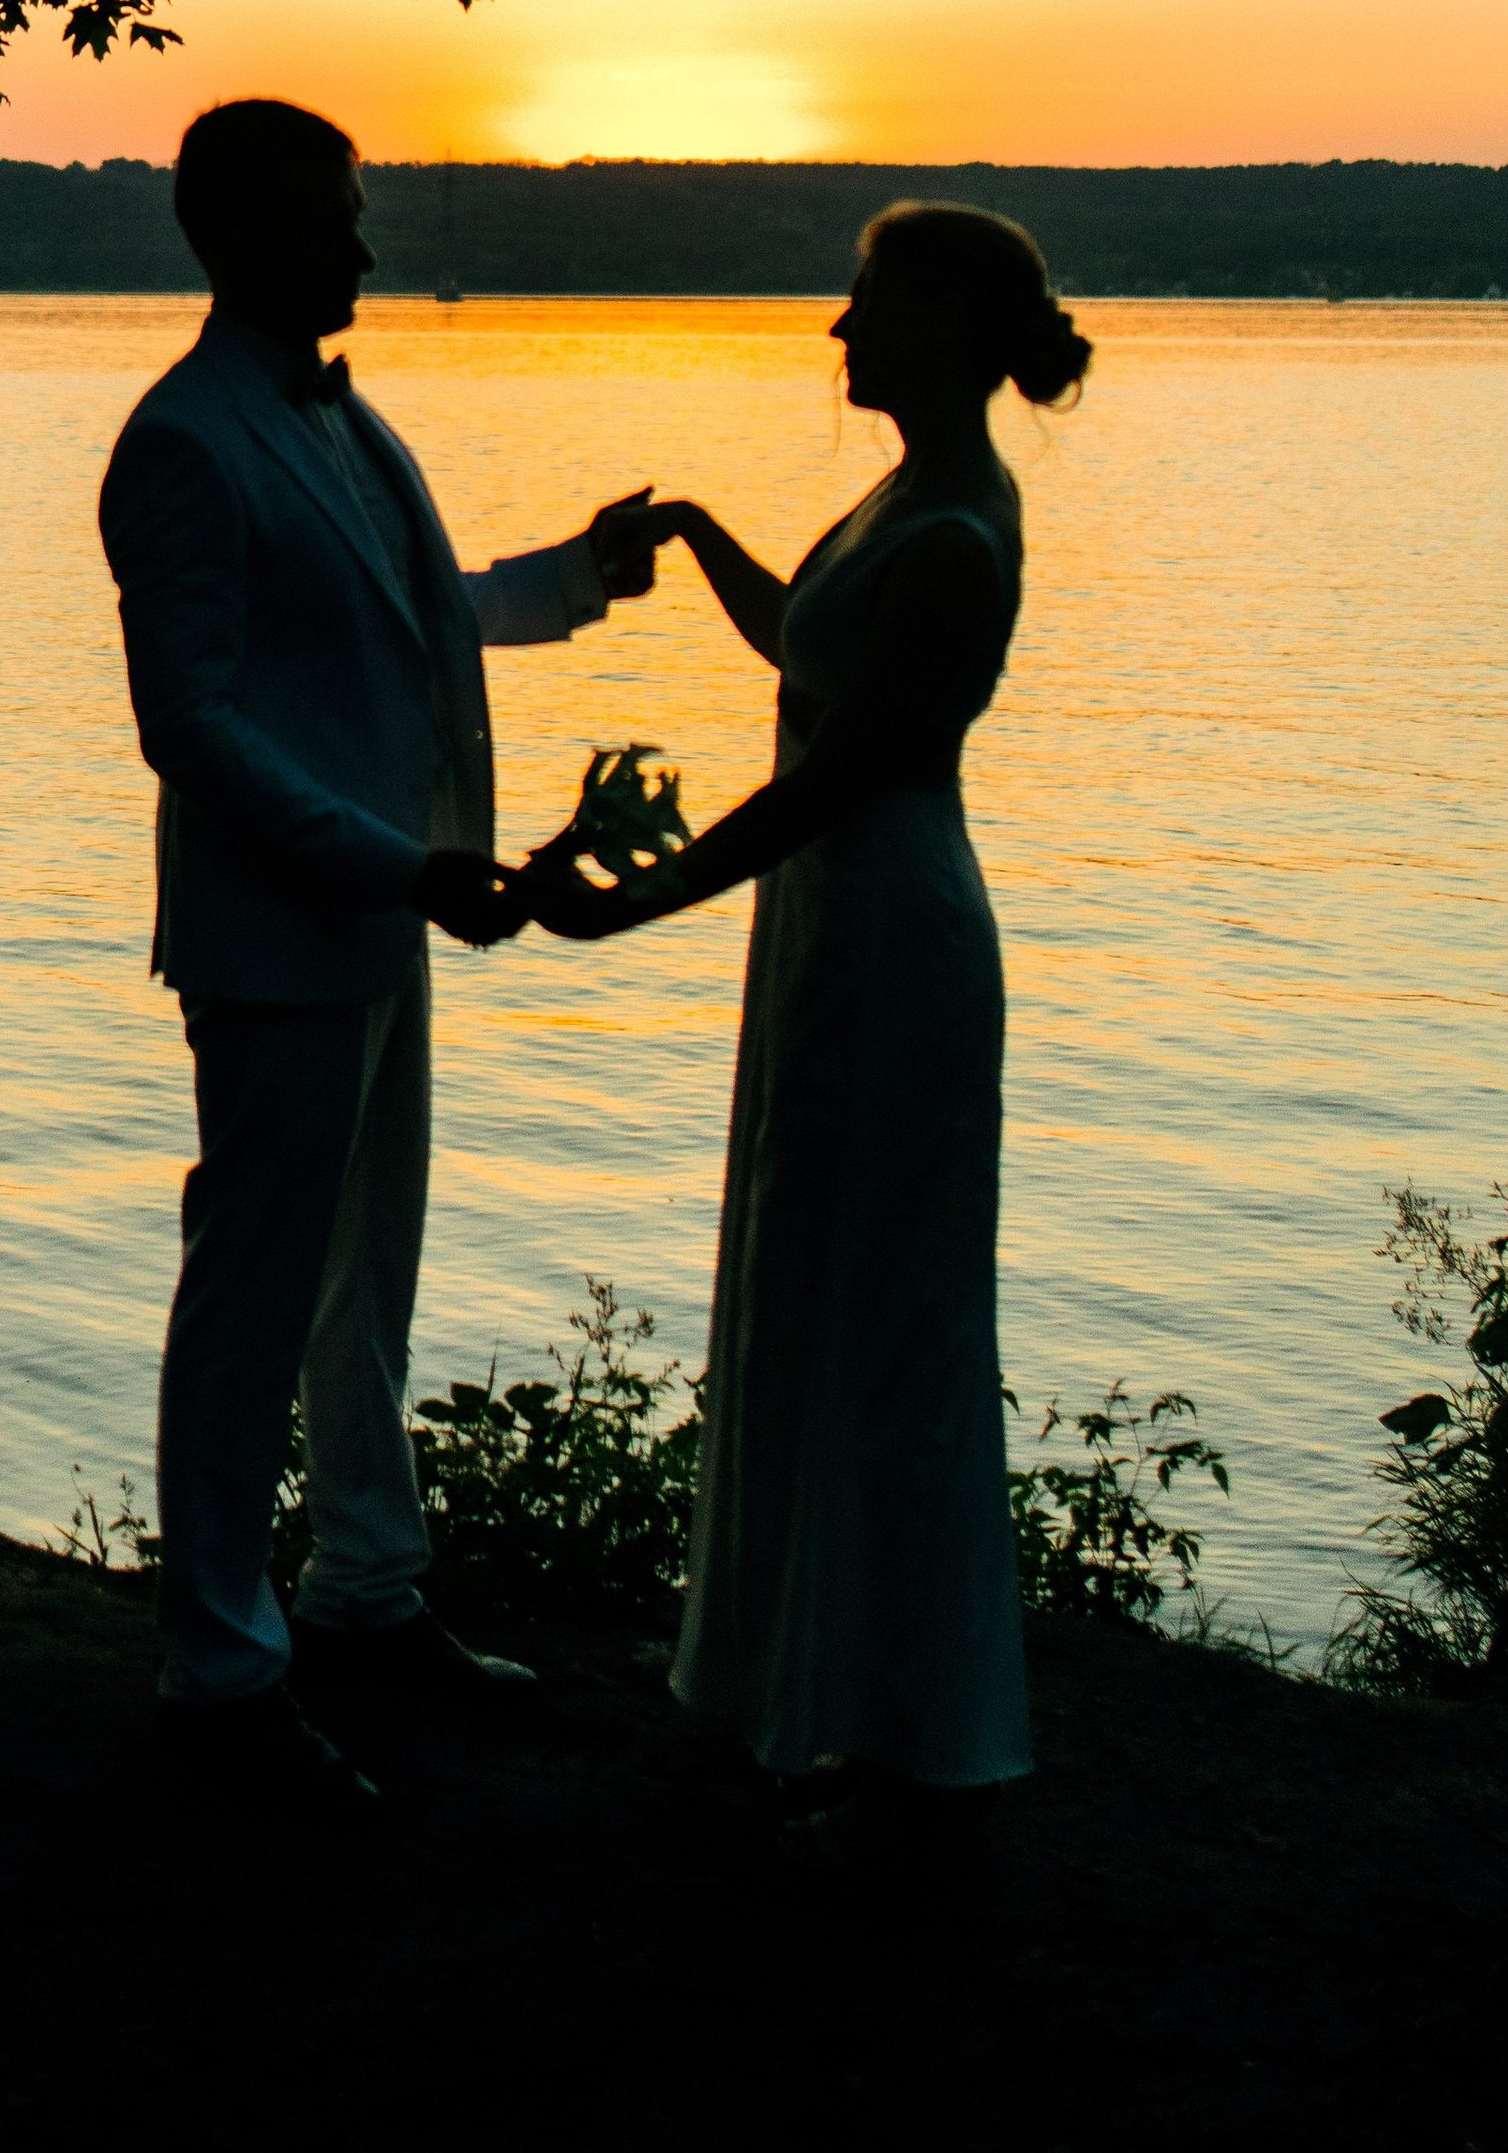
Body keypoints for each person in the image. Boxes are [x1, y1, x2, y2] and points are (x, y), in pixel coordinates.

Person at [98, 98, 661, 1814]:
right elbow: (188, 728)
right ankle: (220, 1669)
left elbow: (408, 614)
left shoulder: (346, 424)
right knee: (252, 1306)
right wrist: (396, 868)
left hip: (385, 922)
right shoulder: (186, 443)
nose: (366, 244)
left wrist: (575, 576)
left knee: (367, 1291)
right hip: (285, 940)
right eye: (340, 217)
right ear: (252, 233)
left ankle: (365, 1590)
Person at [519, 201, 1091, 1851]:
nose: (838, 335)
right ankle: (806, 1687)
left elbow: (836, 776)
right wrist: (697, 531)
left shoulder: (961, 535)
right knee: (810, 1276)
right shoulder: (906, 499)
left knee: (886, 1313)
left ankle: (903, 1731)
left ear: (947, 332)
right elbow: (803, 648)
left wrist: (630, 905)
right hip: (832, 929)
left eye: (867, 307)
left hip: (891, 936)